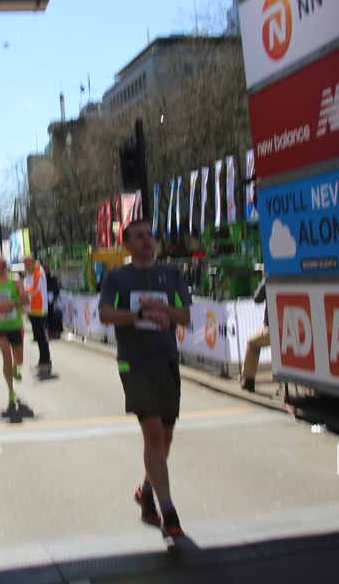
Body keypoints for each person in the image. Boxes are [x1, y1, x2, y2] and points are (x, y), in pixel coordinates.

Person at [98, 217, 192, 542]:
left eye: (149, 235)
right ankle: (169, 513)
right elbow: (105, 314)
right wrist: (139, 313)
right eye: (138, 236)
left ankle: (146, 489)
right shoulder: (116, 278)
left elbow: (185, 317)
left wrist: (160, 309)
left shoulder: (172, 275)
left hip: (166, 361)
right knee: (152, 433)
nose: (146, 240)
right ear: (126, 244)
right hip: (134, 364)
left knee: (165, 437)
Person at [0, 256, 30, 408]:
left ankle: (16, 367)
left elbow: (26, 300)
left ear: (6, 265)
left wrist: (11, 304)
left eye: (3, 265)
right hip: (0, 326)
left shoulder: (15, 280)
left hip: (16, 325)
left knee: (19, 360)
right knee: (7, 358)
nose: (1, 269)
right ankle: (11, 391)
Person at [22, 254, 51, 373]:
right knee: (38, 336)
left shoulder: (38, 271)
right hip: (32, 309)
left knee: (41, 336)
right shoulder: (30, 273)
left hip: (39, 309)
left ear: (34, 261)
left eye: (28, 262)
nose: (26, 265)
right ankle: (42, 360)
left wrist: (23, 290)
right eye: (25, 263)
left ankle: (46, 361)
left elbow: (34, 289)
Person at [242, 273, 269, 392]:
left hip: (273, 329)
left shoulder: (268, 281)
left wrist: (263, 280)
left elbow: (257, 298)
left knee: (252, 343)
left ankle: (249, 381)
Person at [45, 262, 61, 338]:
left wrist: (55, 297)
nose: (46, 270)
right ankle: (47, 330)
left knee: (52, 315)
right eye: (45, 268)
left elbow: (56, 289)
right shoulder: (41, 278)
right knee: (45, 316)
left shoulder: (53, 279)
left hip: (51, 300)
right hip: (44, 300)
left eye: (47, 268)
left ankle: (54, 331)